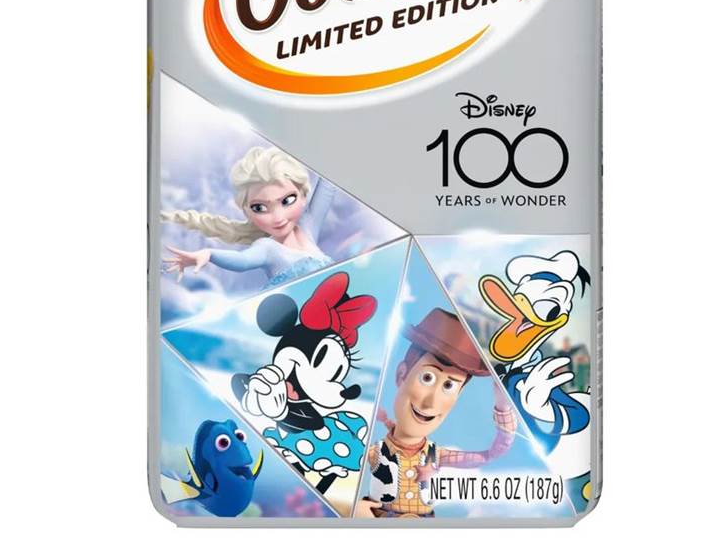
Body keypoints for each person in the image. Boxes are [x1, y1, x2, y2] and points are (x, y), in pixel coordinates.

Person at [356, 308, 516, 519]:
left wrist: (503, 407)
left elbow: (492, 453)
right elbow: (333, 470)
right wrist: (355, 508)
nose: (430, 402)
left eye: (449, 386)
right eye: (427, 378)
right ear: (402, 374)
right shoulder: (374, 451)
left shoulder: (437, 456)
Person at [161, 146, 334, 288]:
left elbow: (329, 183)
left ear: (303, 196)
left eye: (287, 200)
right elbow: (243, 260)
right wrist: (209, 254)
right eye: (260, 208)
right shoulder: (267, 248)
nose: (278, 217)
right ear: (247, 211)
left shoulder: (308, 226)